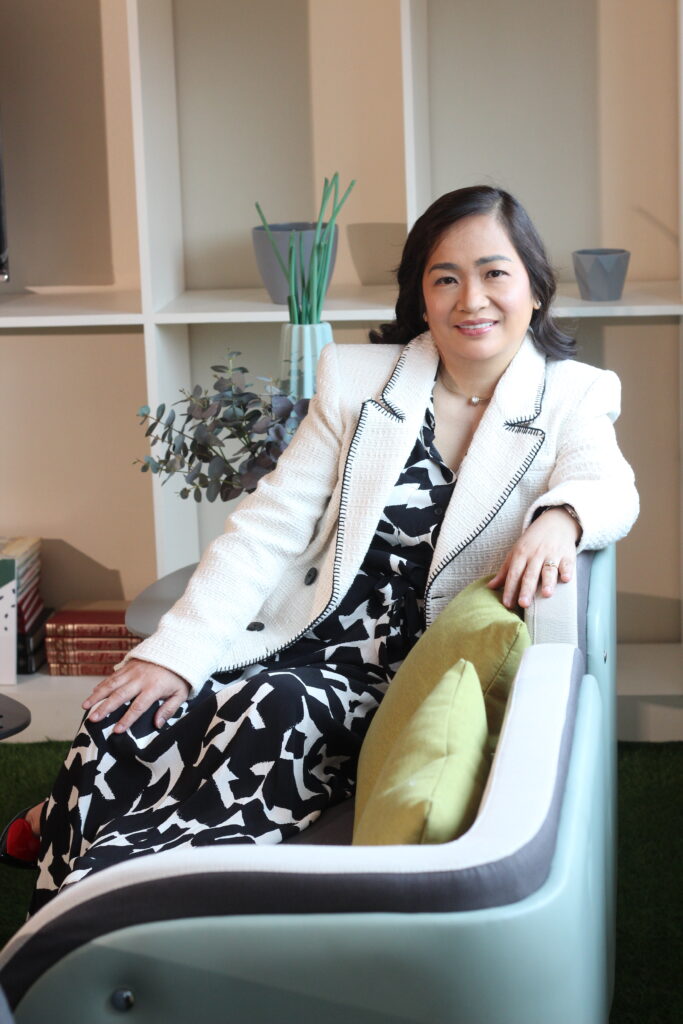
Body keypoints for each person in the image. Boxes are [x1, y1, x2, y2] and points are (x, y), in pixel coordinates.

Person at [1, 185, 638, 913]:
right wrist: (172, 653)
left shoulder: (573, 394)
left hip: (396, 671)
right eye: (445, 278)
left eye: (495, 272)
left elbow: (608, 485)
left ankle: (121, 892)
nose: (472, 299)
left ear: (534, 286)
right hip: (302, 631)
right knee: (129, 708)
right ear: (420, 295)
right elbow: (269, 524)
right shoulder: (358, 379)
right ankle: (74, 858)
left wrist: (560, 516)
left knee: (271, 707)